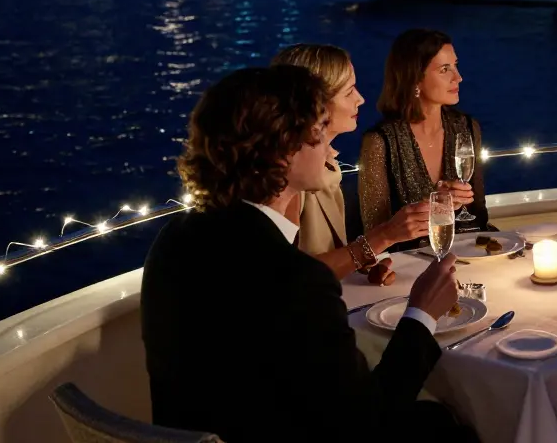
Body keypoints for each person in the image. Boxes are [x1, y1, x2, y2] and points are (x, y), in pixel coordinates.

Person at [141, 66, 475, 442]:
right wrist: (421, 313)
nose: (329, 146)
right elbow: (366, 418)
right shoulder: (294, 277)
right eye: (318, 131)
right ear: (283, 150)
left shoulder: (173, 241)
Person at [270, 43, 427, 285]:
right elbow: (289, 278)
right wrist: (383, 237)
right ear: (316, 103)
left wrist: (358, 268)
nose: (361, 99)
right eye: (349, 91)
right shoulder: (288, 178)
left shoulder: (327, 165)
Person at [360, 29, 488, 250]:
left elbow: (478, 215)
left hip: (466, 253)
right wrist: (436, 206)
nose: (458, 77)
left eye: (455, 65)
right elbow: (375, 233)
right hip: (407, 263)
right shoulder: (381, 141)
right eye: (444, 69)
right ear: (415, 78)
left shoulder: (466, 128)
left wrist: (462, 201)